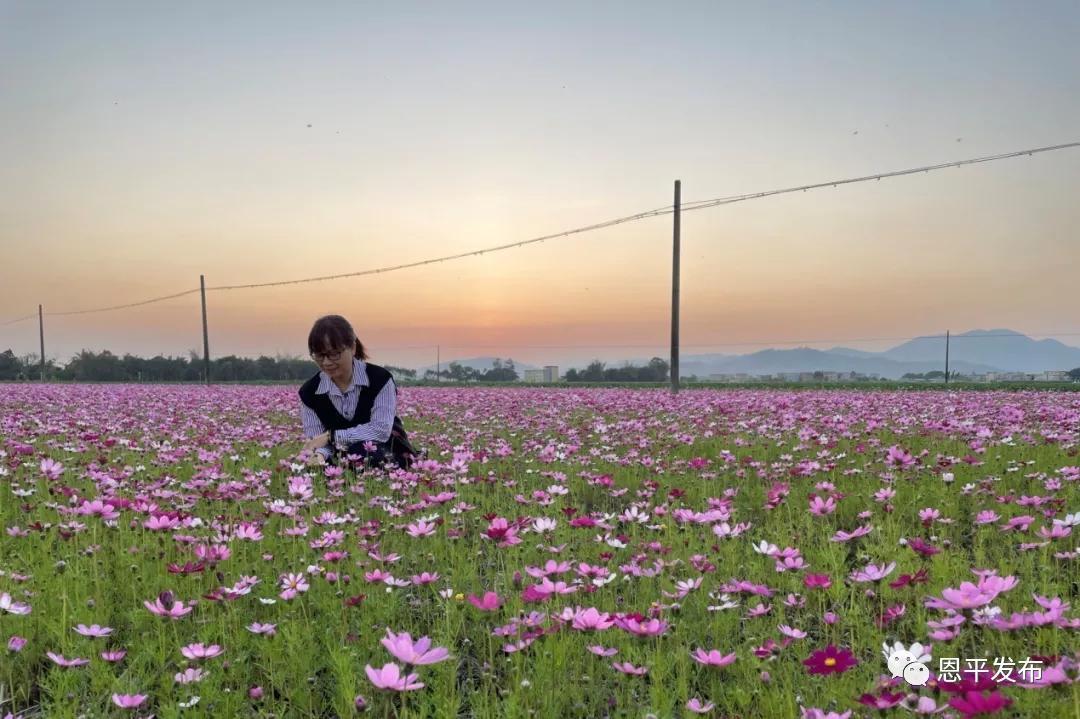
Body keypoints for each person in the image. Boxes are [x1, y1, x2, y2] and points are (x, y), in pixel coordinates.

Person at [298, 315, 418, 471]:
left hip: (385, 451)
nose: (326, 362)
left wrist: (331, 436)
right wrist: (319, 455)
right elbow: (317, 442)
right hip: (339, 456)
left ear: (353, 347)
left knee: (361, 452)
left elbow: (380, 430)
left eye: (334, 354)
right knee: (313, 468)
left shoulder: (380, 379)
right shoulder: (309, 393)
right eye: (319, 356)